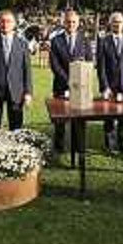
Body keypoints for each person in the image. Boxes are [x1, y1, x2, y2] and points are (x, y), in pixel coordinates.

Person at [0, 10, 33, 130]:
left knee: (16, 129)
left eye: (8, 21)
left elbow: (27, 70)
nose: (5, 24)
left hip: (16, 92)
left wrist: (28, 92)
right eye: (2, 21)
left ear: (14, 24)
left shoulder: (22, 44)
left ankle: (15, 149)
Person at [49, 10, 93, 152]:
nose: (71, 24)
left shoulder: (85, 40)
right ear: (64, 22)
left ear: (78, 23)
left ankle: (77, 146)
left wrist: (78, 80)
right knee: (60, 120)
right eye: (68, 21)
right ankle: (59, 146)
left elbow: (89, 61)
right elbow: (54, 64)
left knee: (78, 119)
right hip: (61, 86)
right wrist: (69, 80)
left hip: (80, 87)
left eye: (74, 22)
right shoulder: (56, 40)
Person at [96, 12, 123, 155]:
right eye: (114, 22)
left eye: (119, 22)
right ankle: (109, 144)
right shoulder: (103, 42)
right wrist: (104, 86)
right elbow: (100, 67)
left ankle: (122, 143)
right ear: (110, 23)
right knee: (109, 116)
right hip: (110, 87)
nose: (117, 24)